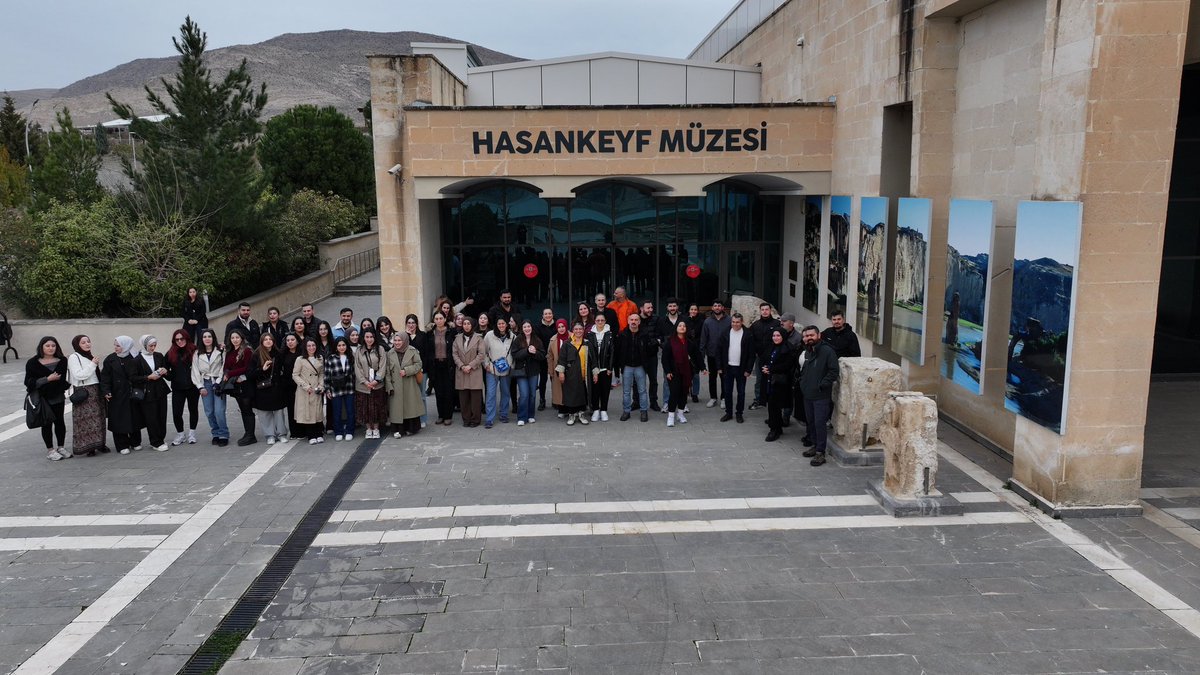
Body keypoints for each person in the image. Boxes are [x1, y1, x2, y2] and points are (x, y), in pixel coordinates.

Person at [798, 324, 839, 465]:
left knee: (820, 423)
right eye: (806, 336)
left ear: (818, 335)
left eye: (811, 335)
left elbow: (833, 371)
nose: (808, 338)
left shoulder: (827, 351)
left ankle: (820, 452)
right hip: (808, 394)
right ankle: (815, 446)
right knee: (811, 422)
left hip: (821, 396)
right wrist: (803, 383)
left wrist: (822, 385)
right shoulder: (808, 350)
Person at [26, 336, 70, 460]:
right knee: (46, 424)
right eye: (47, 346)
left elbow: (63, 379)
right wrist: (47, 379)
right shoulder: (33, 362)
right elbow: (28, 382)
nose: (51, 348)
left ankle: (61, 447)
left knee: (60, 422)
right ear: (42, 347)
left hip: (58, 396)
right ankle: (50, 450)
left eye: (53, 346)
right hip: (43, 398)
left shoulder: (62, 360)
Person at [67, 335, 109, 457]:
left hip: (96, 390)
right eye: (83, 342)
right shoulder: (74, 357)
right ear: (77, 345)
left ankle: (100, 443)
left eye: (88, 341)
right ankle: (89, 447)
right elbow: (79, 375)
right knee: (86, 420)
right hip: (84, 391)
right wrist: (93, 364)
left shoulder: (89, 356)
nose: (87, 344)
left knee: (99, 418)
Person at [102, 336, 143, 455]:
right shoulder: (110, 359)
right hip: (117, 394)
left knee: (134, 417)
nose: (115, 348)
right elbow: (105, 377)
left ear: (126, 346)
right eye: (115, 345)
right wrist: (106, 391)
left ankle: (135, 442)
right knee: (119, 419)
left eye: (118, 345)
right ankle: (122, 444)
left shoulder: (134, 357)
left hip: (131, 393)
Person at [131, 335, 171, 452]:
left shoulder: (159, 356)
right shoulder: (137, 360)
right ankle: (155, 442)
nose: (153, 348)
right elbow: (133, 378)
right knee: (151, 417)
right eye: (150, 346)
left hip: (160, 390)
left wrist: (165, 371)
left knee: (162, 415)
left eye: (154, 345)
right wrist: (148, 377)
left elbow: (167, 373)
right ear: (144, 345)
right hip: (147, 393)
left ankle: (160, 439)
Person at [661, 320, 704, 428]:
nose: (682, 327)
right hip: (673, 372)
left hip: (687, 372)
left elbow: (698, 355)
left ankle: (680, 414)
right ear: (676, 328)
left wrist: (703, 368)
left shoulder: (690, 342)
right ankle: (671, 416)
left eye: (684, 326)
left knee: (684, 393)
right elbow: (665, 358)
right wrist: (668, 371)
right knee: (674, 393)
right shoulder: (670, 342)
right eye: (680, 325)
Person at [249, 333, 289, 444]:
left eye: (270, 339)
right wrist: (262, 369)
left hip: (276, 388)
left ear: (273, 341)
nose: (268, 341)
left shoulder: (278, 353)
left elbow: (283, 370)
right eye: (265, 339)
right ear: (261, 341)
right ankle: (270, 435)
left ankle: (281, 434)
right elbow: (250, 374)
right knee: (265, 413)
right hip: (262, 389)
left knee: (279, 412)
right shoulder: (256, 354)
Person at [191, 329, 228, 446]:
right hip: (205, 383)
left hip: (218, 382)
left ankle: (223, 434)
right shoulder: (197, 353)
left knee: (219, 411)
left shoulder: (221, 351)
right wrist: (200, 386)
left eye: (209, 336)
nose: (207, 339)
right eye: (204, 337)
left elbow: (224, 367)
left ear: (213, 338)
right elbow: (195, 371)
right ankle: (215, 433)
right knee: (209, 412)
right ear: (201, 339)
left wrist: (218, 381)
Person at [615, 313, 654, 422]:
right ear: (628, 321)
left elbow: (649, 350)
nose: (633, 322)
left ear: (639, 322)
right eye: (631, 319)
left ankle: (644, 411)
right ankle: (626, 411)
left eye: (636, 320)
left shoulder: (644, 334)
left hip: (640, 366)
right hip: (627, 366)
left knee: (642, 390)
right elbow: (618, 351)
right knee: (626, 391)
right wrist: (619, 366)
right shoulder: (622, 334)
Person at [717, 313, 756, 423]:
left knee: (741, 392)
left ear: (742, 322)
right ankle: (728, 413)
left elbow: (751, 354)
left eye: (737, 322)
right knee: (727, 392)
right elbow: (719, 351)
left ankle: (739, 413)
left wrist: (748, 370)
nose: (735, 324)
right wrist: (719, 366)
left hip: (741, 368)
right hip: (727, 367)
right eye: (733, 322)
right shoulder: (725, 332)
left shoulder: (748, 334)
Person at [165, 329, 200, 446]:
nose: (179, 341)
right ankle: (180, 434)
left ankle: (192, 433)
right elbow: (167, 372)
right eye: (177, 339)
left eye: (182, 338)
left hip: (193, 386)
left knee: (193, 409)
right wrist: (166, 373)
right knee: (176, 412)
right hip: (178, 387)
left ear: (187, 338)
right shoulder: (170, 353)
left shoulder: (195, 350)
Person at [762, 328, 797, 443]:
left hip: (781, 382)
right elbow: (766, 359)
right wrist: (766, 367)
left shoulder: (788, 348)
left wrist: (771, 369)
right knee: (772, 405)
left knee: (775, 405)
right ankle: (777, 427)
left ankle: (774, 430)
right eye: (774, 336)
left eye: (778, 336)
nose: (775, 338)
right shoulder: (772, 346)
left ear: (783, 336)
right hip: (771, 381)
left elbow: (788, 365)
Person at [386, 332, 424, 437]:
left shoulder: (412, 350)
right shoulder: (390, 353)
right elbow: (387, 372)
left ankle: (411, 428)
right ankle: (399, 429)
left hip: (409, 384)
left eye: (399, 340)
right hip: (396, 385)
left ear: (405, 340)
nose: (397, 343)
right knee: (397, 408)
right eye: (395, 340)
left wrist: (407, 371)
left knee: (410, 406)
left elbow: (418, 364)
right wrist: (389, 386)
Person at [224, 329, 257, 446]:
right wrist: (227, 373)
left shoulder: (246, 350)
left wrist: (230, 373)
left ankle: (251, 435)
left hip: (246, 384)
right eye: (232, 338)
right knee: (242, 409)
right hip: (236, 385)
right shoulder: (230, 351)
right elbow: (226, 366)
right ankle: (247, 433)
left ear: (241, 338)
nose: (235, 340)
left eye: (237, 337)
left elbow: (247, 368)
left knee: (247, 409)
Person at [452, 316, 486, 427]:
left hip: (474, 370)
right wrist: (462, 366)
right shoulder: (457, 338)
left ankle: (475, 420)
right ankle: (466, 419)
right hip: (461, 370)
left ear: (472, 325)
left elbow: (481, 354)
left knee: (475, 398)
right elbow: (454, 354)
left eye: (468, 324)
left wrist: (470, 366)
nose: (466, 326)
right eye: (464, 324)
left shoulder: (479, 338)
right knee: (464, 398)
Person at [354, 329, 388, 438]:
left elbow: (383, 366)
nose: (369, 339)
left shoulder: (380, 349)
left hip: (377, 385)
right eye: (367, 337)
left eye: (371, 337)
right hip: (363, 386)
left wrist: (376, 380)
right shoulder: (359, 350)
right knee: (365, 408)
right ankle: (368, 428)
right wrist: (365, 382)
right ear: (363, 338)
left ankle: (376, 428)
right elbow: (357, 367)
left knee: (377, 407)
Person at [555, 322, 591, 425]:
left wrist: (595, 372)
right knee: (571, 394)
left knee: (582, 394)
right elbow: (561, 359)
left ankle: (581, 414)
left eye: (580, 329)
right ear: (572, 331)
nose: (578, 331)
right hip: (571, 374)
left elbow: (592, 358)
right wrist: (561, 373)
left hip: (584, 374)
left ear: (583, 330)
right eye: (576, 329)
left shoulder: (587, 343)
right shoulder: (567, 343)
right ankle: (571, 415)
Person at [482, 317, 514, 428]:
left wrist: (511, 366)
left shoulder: (512, 336)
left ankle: (503, 414)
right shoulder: (489, 335)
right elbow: (484, 351)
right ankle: (489, 418)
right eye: (499, 323)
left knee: (505, 392)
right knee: (491, 394)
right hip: (492, 369)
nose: (501, 325)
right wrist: (486, 364)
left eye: (503, 323)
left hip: (506, 370)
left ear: (506, 324)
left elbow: (514, 353)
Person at [292, 338, 326, 444]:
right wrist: (305, 386)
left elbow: (321, 373)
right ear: (305, 347)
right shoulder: (300, 359)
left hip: (316, 389)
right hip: (305, 390)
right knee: (308, 412)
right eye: (309, 346)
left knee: (317, 411)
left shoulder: (320, 358)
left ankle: (319, 433)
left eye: (313, 345)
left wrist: (321, 385)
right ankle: (311, 435)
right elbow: (295, 375)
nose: (311, 348)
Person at [511, 320, 545, 426]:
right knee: (524, 395)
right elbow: (514, 354)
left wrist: (535, 352)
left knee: (532, 395)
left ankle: (531, 415)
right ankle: (522, 417)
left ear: (531, 327)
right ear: (522, 328)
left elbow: (542, 355)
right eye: (525, 327)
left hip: (534, 371)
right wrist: (526, 351)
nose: (527, 329)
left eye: (528, 326)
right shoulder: (518, 339)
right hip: (521, 371)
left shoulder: (537, 340)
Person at [699, 299, 731, 408]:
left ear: (723, 308)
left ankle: (724, 398)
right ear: (712, 308)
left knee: (724, 377)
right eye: (715, 306)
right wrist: (702, 356)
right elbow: (703, 339)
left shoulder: (729, 320)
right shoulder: (707, 322)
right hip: (711, 354)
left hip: (725, 355)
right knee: (712, 377)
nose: (717, 307)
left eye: (719, 306)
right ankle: (713, 398)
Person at [748, 302, 780, 410]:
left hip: (774, 357)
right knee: (759, 380)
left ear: (770, 311)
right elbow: (751, 340)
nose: (765, 311)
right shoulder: (755, 325)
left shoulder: (777, 324)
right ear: (760, 311)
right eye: (762, 310)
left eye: (767, 309)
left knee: (774, 379)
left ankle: (773, 400)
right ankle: (758, 399)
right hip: (760, 357)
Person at [324, 336, 356, 441]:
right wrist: (327, 389)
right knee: (337, 412)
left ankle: (350, 431)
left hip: (349, 388)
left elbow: (354, 374)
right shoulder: (330, 358)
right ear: (336, 347)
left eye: (343, 345)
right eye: (339, 345)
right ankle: (338, 431)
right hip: (335, 389)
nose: (341, 347)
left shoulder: (351, 357)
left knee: (350, 411)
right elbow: (327, 375)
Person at [427, 312, 456, 425]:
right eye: (436, 318)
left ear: (445, 319)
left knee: (448, 391)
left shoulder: (451, 332)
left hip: (448, 364)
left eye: (441, 318)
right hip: (435, 365)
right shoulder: (430, 333)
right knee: (438, 392)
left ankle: (448, 416)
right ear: (434, 320)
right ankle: (441, 415)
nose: (439, 320)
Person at [655, 298, 685, 411]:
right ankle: (666, 403)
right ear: (667, 308)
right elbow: (658, 336)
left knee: (682, 379)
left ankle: (682, 404)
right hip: (668, 355)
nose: (672, 308)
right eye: (670, 306)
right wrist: (664, 345)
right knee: (668, 379)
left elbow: (687, 335)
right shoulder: (662, 320)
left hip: (682, 354)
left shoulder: (683, 319)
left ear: (677, 307)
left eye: (674, 306)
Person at [404, 314, 432, 428]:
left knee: (422, 396)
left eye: (413, 323)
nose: (411, 325)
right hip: (408, 370)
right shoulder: (404, 336)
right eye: (409, 323)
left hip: (421, 370)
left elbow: (423, 352)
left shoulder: (423, 335)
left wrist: (425, 369)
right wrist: (408, 336)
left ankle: (423, 419)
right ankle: (412, 419)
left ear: (417, 324)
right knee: (410, 396)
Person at [585, 313, 615, 421]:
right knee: (595, 390)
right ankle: (596, 410)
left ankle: (603, 410)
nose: (600, 322)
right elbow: (590, 352)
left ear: (605, 321)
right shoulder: (590, 334)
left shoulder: (609, 334)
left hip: (605, 368)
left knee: (605, 389)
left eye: (602, 320)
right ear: (595, 321)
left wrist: (610, 367)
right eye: (598, 320)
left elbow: (612, 352)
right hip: (594, 368)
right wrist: (593, 368)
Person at [545, 318, 570, 419]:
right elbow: (550, 356)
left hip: (571, 368)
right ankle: (562, 409)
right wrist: (550, 370)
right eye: (559, 327)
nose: (561, 329)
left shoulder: (573, 336)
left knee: (570, 389)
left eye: (563, 326)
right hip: (557, 368)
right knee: (559, 390)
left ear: (566, 326)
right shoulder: (553, 339)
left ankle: (571, 409)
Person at [534, 308, 557, 411]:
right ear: (542, 316)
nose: (548, 315)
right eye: (546, 314)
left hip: (555, 357)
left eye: (549, 313)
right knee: (543, 380)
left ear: (552, 314)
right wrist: (542, 354)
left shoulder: (557, 325)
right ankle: (542, 400)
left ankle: (556, 400)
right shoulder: (538, 326)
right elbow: (537, 342)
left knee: (554, 380)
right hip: (543, 357)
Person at [279, 332, 302, 437]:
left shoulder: (302, 352)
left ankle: (305, 430)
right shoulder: (282, 354)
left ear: (297, 341)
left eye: (292, 340)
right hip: (288, 385)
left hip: (301, 384)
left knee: (302, 408)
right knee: (291, 409)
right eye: (288, 340)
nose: (290, 342)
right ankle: (295, 432)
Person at [684, 303, 705, 403]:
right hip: (686, 349)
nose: (693, 311)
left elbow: (703, 335)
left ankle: (695, 393)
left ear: (698, 311)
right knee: (685, 373)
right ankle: (685, 391)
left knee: (696, 373)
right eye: (691, 309)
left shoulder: (701, 321)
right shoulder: (684, 320)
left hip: (697, 350)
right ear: (689, 310)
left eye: (695, 309)